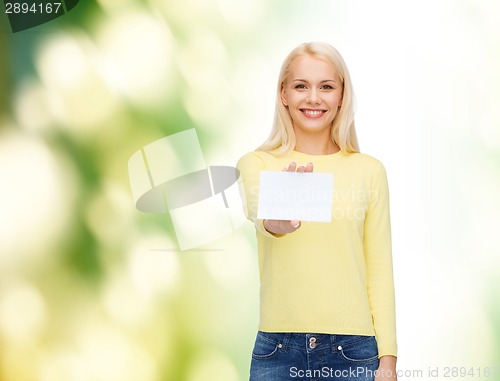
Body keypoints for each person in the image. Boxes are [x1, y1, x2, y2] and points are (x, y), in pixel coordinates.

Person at [237, 42, 398, 381]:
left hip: (354, 353)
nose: (313, 98)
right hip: (277, 351)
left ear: (342, 95)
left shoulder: (369, 171)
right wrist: (277, 220)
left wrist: (388, 362)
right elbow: (261, 216)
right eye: (301, 86)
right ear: (283, 94)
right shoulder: (257, 164)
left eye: (326, 86)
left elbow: (380, 271)